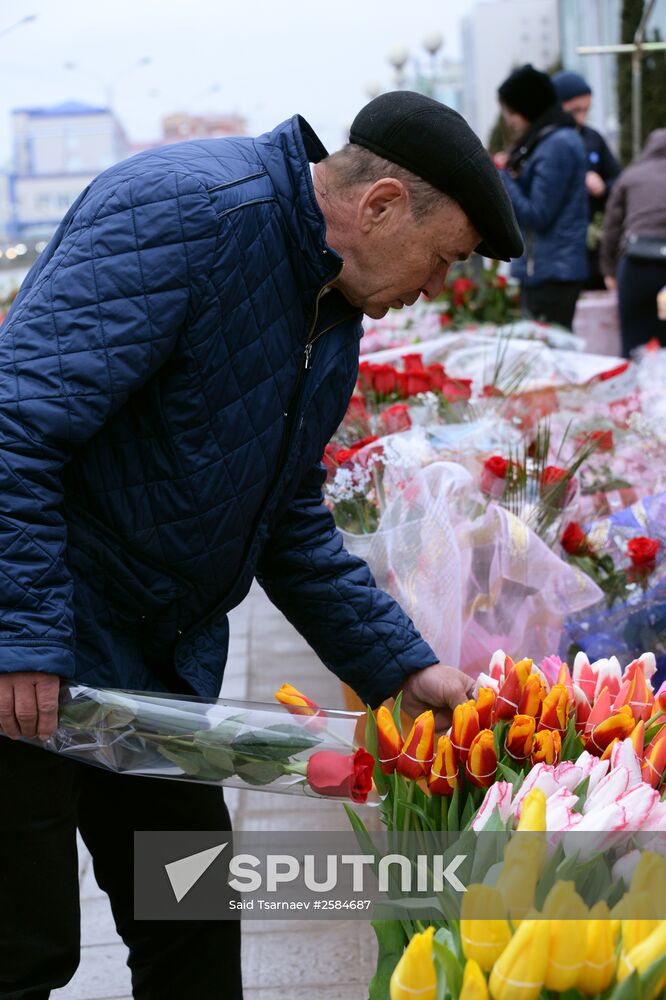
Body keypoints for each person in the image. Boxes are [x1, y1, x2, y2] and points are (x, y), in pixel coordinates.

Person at [0, 91, 523, 999]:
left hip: (153, 676)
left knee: (193, 926)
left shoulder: (329, 303)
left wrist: (402, 667)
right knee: (24, 950)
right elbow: (14, 426)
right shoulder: (189, 213)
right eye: (442, 262)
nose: (435, 290)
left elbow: (282, 516)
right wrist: (19, 640)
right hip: (34, 646)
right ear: (383, 204)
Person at [497, 64, 588, 329]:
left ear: (529, 107)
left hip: (553, 274)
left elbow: (538, 213)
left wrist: (501, 178)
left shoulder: (557, 144)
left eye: (512, 111)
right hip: (546, 270)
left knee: (549, 356)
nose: (510, 120)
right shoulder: (546, 141)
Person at [552, 70, 621, 289]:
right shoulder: (548, 142)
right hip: (560, 251)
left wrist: (602, 187)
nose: (581, 117)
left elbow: (620, 183)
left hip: (595, 244)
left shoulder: (594, 139)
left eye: (586, 110)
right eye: (575, 111)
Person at [600, 128, 666, 356]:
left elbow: (611, 228)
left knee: (634, 342)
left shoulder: (631, 176)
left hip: (637, 266)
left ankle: (637, 389)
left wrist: (608, 270)